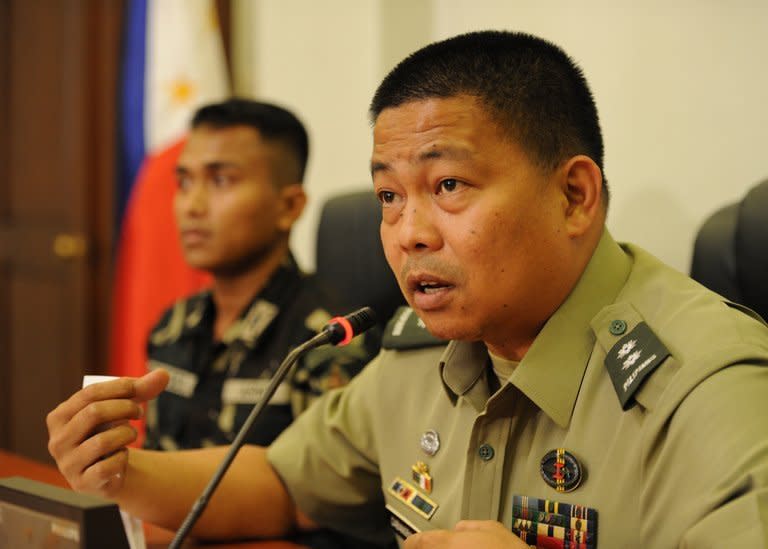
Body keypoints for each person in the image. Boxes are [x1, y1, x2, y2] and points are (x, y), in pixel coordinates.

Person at [47, 31, 768, 548]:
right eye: (389, 196)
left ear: (575, 196)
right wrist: (121, 471)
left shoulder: (705, 382)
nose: (407, 233)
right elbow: (282, 481)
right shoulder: (422, 351)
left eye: (448, 185)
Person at [138, 98, 381, 548]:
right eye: (184, 181)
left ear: (289, 206)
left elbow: (331, 515)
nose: (191, 205)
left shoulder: (325, 338)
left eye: (221, 180)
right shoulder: (173, 325)